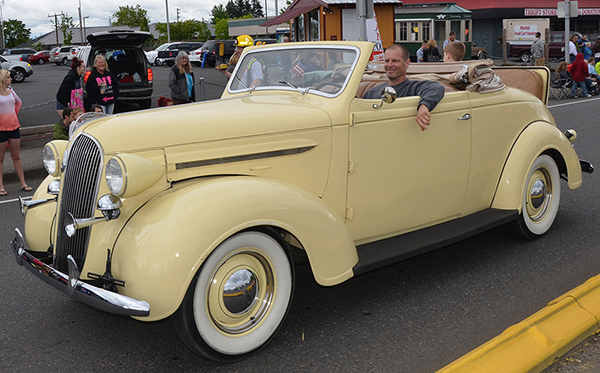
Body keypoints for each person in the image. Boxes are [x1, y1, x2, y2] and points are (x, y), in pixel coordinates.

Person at [362, 44, 445, 132]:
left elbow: (437, 87)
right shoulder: (371, 92)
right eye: (387, 61)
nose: (389, 65)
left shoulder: (413, 87)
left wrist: (424, 105)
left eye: (395, 61)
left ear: (407, 63)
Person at [0, 70, 31, 195]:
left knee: (16, 156)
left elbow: (18, 102)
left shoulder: (12, 92)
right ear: (2, 79)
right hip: (1, 129)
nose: (11, 79)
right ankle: (1, 186)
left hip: (14, 127)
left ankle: (23, 183)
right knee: (0, 158)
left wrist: (14, 114)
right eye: (8, 77)